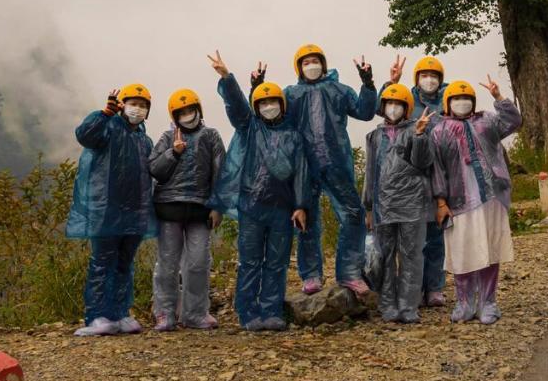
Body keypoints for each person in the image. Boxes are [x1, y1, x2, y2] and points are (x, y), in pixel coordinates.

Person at [252, 44, 377, 295]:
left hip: (336, 161)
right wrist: (256, 90)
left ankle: (350, 272)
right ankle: (311, 275)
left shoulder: (340, 90)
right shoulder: (291, 94)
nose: (312, 65)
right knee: (305, 219)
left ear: (324, 62)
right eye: (306, 61)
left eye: (315, 60)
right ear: (299, 67)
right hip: (302, 165)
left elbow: (365, 112)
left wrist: (368, 85)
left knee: (353, 214)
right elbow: (268, 115)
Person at [208, 51, 310, 332]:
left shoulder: (294, 136)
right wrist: (227, 78)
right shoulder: (249, 128)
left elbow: (301, 172)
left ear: (282, 104)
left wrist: (301, 205)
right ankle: (248, 312)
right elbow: (238, 107)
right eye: (262, 102)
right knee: (250, 261)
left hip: (282, 208)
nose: (268, 106)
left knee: (276, 263)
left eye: (272, 101)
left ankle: (271, 311)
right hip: (251, 207)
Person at [429, 76, 522, 325]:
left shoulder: (488, 122)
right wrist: (440, 202)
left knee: (490, 249)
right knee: (462, 251)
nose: (462, 102)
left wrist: (499, 98)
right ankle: (464, 301)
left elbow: (514, 121)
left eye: (466, 98)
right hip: (458, 202)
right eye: (456, 98)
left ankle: (488, 302)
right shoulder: (439, 131)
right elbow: (436, 169)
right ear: (447, 103)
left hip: (491, 198)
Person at [67, 84, 157, 337]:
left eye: (143, 105)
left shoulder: (144, 140)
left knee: (124, 265)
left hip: (135, 214)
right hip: (106, 211)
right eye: (133, 103)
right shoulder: (107, 129)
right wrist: (103, 114)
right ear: (121, 105)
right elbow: (84, 135)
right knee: (102, 263)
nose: (137, 109)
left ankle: (120, 313)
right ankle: (97, 316)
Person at [149, 88, 225, 331]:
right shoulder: (167, 137)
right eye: (181, 112)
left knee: (198, 262)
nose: (187, 114)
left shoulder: (211, 136)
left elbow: (220, 173)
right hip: (169, 208)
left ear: (198, 110)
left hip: (200, 209)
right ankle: (164, 313)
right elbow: (155, 169)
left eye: (190, 109)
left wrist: (217, 206)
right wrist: (174, 152)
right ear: (174, 115)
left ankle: (195, 313)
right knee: (167, 263)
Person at [363, 83, 435, 323]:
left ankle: (408, 306)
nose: (393, 108)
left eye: (399, 104)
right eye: (389, 104)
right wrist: (369, 206)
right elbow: (371, 171)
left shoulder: (416, 129)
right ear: (383, 107)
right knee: (385, 255)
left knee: (412, 256)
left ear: (407, 108)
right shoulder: (374, 136)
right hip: (383, 205)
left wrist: (420, 135)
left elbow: (422, 163)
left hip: (413, 203)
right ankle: (387, 304)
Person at [384, 55, 449, 307]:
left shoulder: (447, 103)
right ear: (416, 79)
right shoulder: (407, 101)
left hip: (439, 173)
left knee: (436, 234)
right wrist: (391, 82)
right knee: (413, 239)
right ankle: (415, 288)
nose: (429, 80)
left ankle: (435, 287)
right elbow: (387, 111)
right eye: (424, 75)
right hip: (411, 179)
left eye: (434, 76)